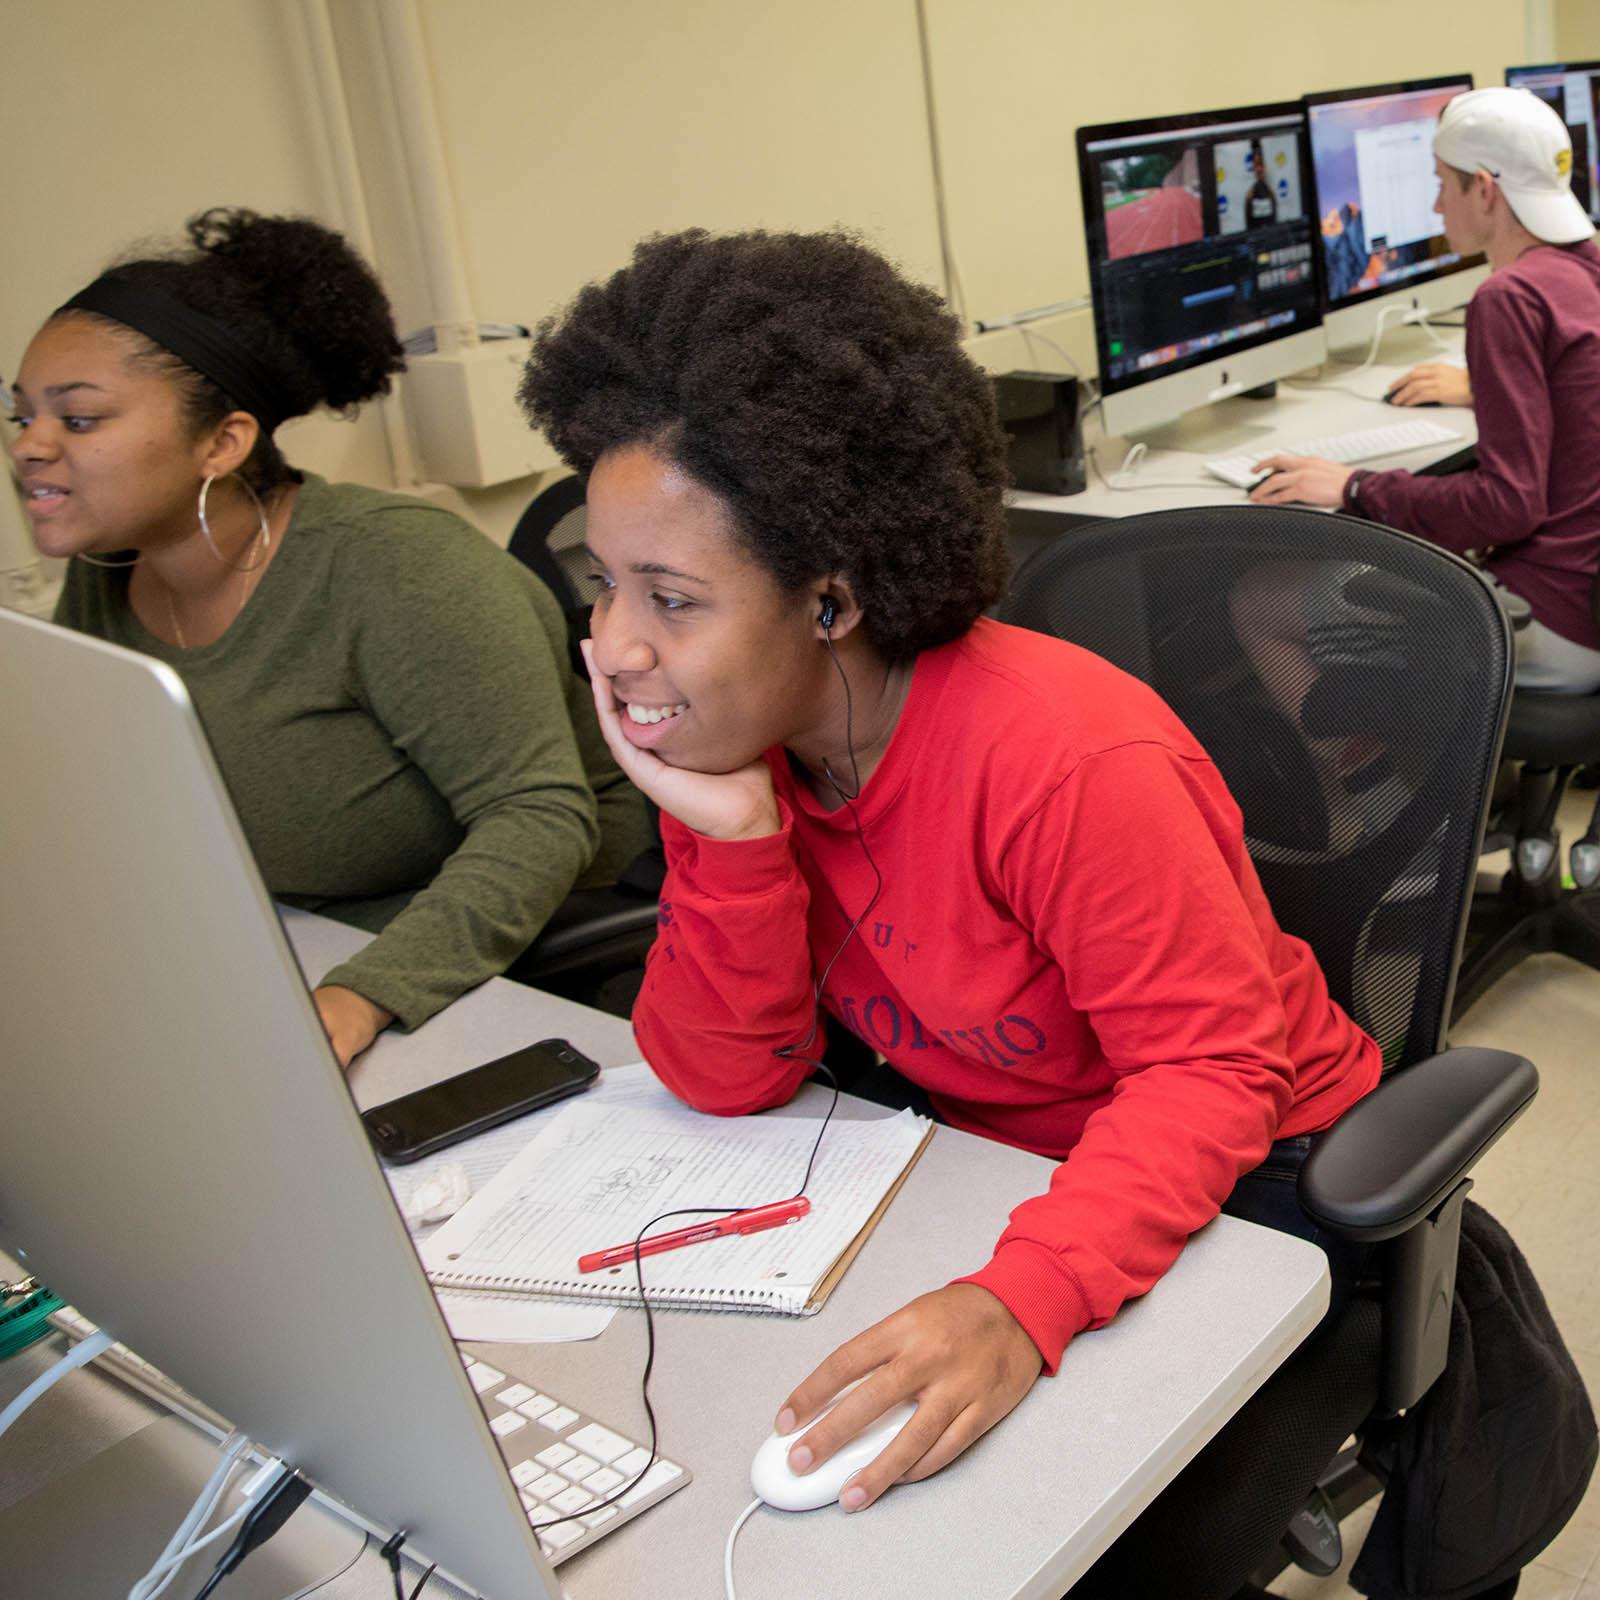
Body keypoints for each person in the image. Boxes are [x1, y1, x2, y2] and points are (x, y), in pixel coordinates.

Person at [518, 226, 1382, 1595]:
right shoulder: (744, 756)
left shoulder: (1064, 759)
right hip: (980, 1160)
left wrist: (1016, 1303)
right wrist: (730, 842)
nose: (616, 646)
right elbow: (725, 1078)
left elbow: (1213, 1073)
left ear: (831, 600)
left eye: (671, 598)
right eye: (605, 586)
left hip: (1254, 1173)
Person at [10, 207, 652, 1065]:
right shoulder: (107, 570)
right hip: (280, 939)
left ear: (224, 442)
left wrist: (360, 997)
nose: (30, 448)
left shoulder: (398, 572)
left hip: (489, 945)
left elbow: (537, 816)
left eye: (78, 420)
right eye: (21, 417)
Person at [1251, 87, 1600, 695]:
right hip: (1587, 603)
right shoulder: (1586, 268)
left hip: (1549, 623)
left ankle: (1365, 789)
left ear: (1486, 190)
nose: (1437, 205)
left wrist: (1353, 486)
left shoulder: (1508, 299)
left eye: (1443, 183)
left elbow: (1508, 505)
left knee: (1259, 601)